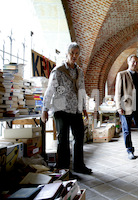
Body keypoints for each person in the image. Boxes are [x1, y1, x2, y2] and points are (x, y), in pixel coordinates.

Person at [41, 42, 92, 174]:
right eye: (72, 53)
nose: (74, 56)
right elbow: (49, 91)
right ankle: (63, 168)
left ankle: (79, 166)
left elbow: (82, 90)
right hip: (61, 109)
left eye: (76, 53)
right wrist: (44, 110)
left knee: (79, 137)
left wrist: (84, 108)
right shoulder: (58, 71)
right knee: (63, 140)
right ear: (67, 54)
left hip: (75, 109)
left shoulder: (79, 71)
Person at [115, 54, 138, 160]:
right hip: (126, 107)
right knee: (126, 130)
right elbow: (118, 92)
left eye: (136, 62)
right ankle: (130, 150)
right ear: (128, 62)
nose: (135, 63)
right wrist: (119, 107)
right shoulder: (121, 74)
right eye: (133, 61)